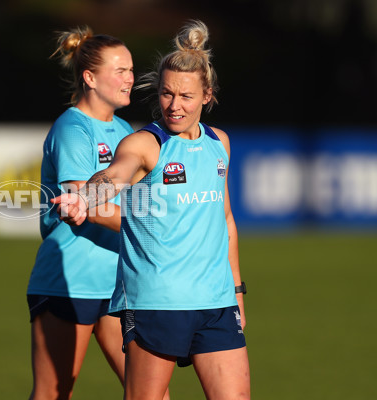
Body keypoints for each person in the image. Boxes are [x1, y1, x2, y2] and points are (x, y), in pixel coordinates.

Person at [52, 20, 250, 400]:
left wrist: (237, 293)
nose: (174, 106)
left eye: (186, 97)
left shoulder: (219, 144)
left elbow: (225, 221)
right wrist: (86, 196)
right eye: (166, 94)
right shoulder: (144, 144)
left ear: (207, 95)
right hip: (156, 301)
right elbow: (115, 174)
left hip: (216, 303)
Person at [26, 26, 139, 399]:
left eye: (131, 70)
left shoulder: (125, 131)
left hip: (118, 285)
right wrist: (148, 224)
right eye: (119, 70)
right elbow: (81, 206)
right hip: (69, 281)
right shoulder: (72, 129)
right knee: (53, 394)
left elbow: (139, 201)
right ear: (89, 77)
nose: (130, 79)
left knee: (149, 392)